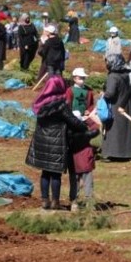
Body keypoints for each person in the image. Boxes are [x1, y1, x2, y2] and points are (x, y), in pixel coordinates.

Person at [26, 76, 90, 211]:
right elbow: (73, 121)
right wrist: (84, 126)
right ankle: (55, 201)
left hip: (42, 141)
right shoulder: (61, 105)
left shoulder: (40, 103)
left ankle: (45, 200)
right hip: (56, 142)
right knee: (55, 173)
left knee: (45, 173)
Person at [102, 54, 131, 160]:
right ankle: (127, 152)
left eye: (108, 62)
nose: (106, 64)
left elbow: (110, 93)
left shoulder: (113, 76)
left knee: (114, 129)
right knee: (126, 130)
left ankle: (114, 153)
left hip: (115, 105)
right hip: (126, 104)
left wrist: (103, 95)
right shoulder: (126, 75)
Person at [66, 110, 100, 211]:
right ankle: (89, 203)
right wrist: (88, 119)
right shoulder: (86, 133)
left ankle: (74, 203)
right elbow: (97, 128)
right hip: (85, 160)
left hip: (73, 161)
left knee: (74, 183)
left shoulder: (68, 132)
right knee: (88, 182)